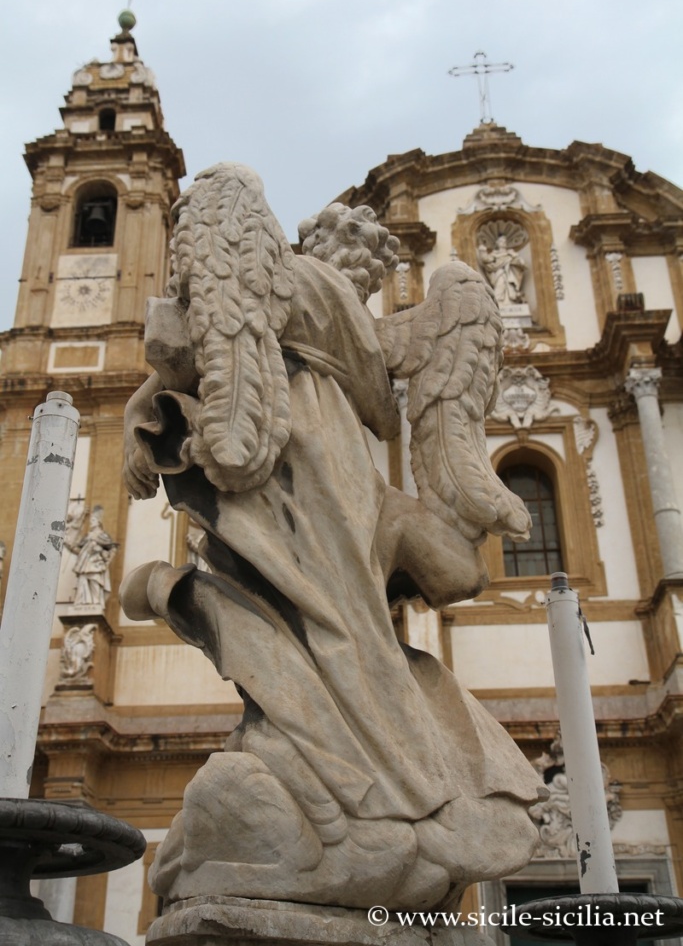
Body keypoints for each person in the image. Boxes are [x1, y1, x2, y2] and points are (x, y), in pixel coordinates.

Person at [121, 163, 543, 909]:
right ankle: (393, 792)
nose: (359, 275)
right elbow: (455, 565)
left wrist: (146, 416)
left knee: (322, 615)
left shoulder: (289, 285)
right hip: (319, 464)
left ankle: (369, 797)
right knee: (339, 620)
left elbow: (201, 345)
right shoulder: (347, 311)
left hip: (290, 458)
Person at [477, 233, 527, 305]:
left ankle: (511, 301)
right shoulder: (494, 254)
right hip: (499, 273)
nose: (503, 243)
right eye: (501, 241)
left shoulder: (510, 253)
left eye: (504, 241)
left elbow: (521, 263)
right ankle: (499, 302)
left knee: (510, 286)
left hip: (509, 273)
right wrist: (482, 251)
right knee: (500, 284)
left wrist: (513, 257)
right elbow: (486, 260)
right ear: (497, 243)